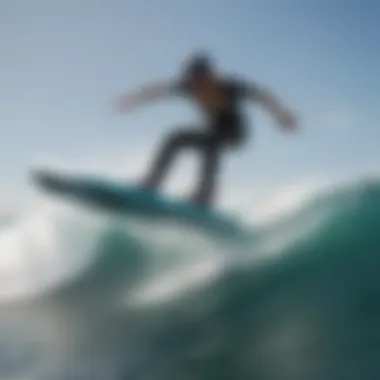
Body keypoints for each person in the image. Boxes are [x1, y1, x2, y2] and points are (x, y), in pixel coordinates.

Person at [115, 53, 298, 206]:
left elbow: (262, 95)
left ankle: (204, 195)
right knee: (175, 137)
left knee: (212, 142)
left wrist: (282, 116)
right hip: (212, 131)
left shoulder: (229, 86)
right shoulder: (189, 87)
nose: (200, 85)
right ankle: (152, 183)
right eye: (195, 81)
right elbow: (157, 91)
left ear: (211, 75)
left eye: (204, 79)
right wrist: (133, 99)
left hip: (236, 133)